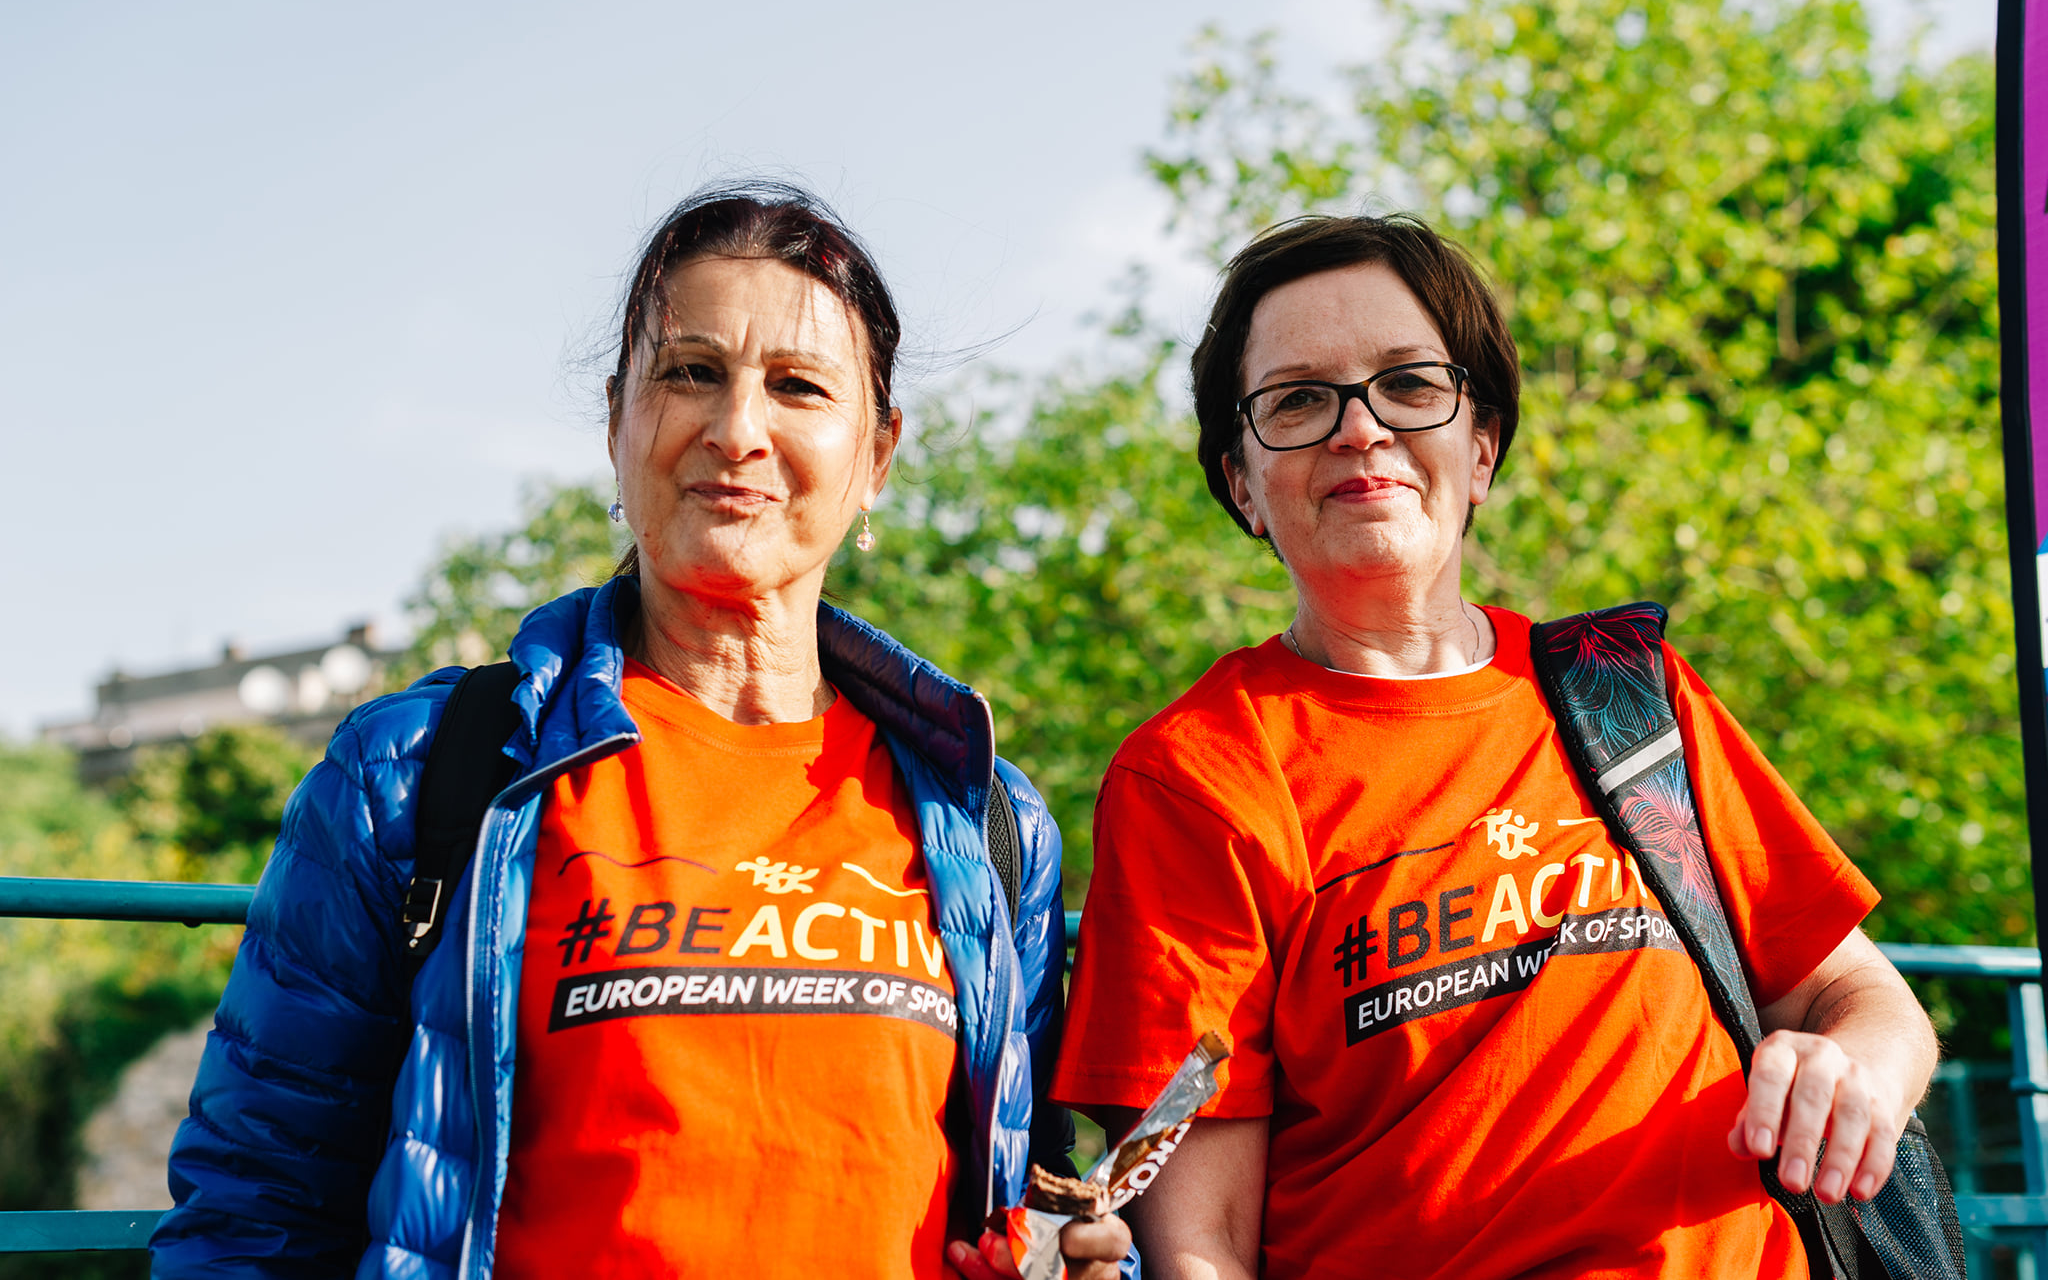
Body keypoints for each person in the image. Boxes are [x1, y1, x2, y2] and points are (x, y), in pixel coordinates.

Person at [150, 182, 1130, 1280]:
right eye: (690, 373)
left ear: (878, 454)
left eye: (799, 386)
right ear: (618, 420)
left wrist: (1081, 1262)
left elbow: (1035, 1192)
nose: (737, 431)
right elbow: (255, 1209)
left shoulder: (985, 815)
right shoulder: (419, 773)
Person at [1052, 213, 1937, 1279]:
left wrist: (1857, 1072)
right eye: (1297, 400)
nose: (1359, 429)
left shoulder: (1627, 694)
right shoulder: (1196, 774)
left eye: (1407, 384)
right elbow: (1201, 1244)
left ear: (1479, 447)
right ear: (1240, 481)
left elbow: (1866, 1000)